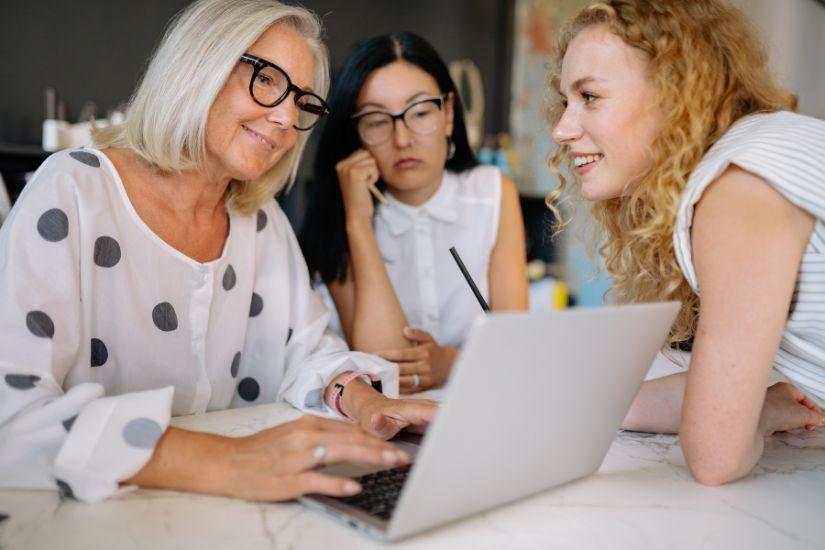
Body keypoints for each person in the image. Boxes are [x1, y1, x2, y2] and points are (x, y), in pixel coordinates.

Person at [0, 0, 437, 504]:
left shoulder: (260, 221)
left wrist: (366, 403)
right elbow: (12, 410)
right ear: (200, 65)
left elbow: (309, 350)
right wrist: (230, 461)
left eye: (302, 100)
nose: (286, 117)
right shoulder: (74, 190)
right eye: (268, 80)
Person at [548, 0, 825, 486]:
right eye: (566, 101)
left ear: (673, 92)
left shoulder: (740, 186)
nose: (561, 129)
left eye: (589, 96)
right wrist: (563, 405)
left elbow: (716, 455)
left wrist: (757, 416)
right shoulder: (752, 157)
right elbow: (714, 395)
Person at [300, 32, 528, 393]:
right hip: (383, 424)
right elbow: (385, 365)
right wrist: (358, 223)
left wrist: (450, 362)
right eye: (377, 121)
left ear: (449, 113)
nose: (402, 138)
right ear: (355, 133)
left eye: (420, 112)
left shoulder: (492, 193)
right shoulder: (340, 213)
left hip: (483, 406)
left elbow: (515, 343)